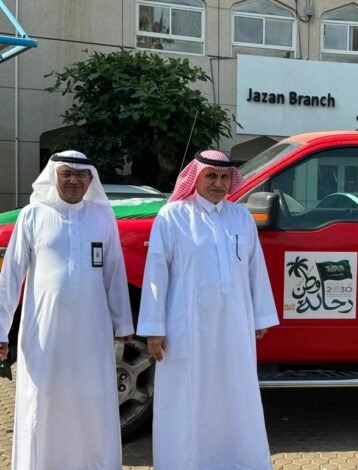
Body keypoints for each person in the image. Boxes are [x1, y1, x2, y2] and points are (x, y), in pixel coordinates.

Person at [137, 150, 279, 469]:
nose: (218, 183)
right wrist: (154, 329)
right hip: (185, 326)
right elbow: (156, 274)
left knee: (235, 392)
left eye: (224, 177)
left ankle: (237, 461)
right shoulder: (172, 216)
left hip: (234, 325)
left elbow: (255, 269)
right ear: (196, 178)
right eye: (211, 176)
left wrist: (260, 317)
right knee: (186, 396)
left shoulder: (241, 217)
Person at [0, 150, 134, 469]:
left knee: (91, 398)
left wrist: (123, 323)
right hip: (44, 332)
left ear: (90, 179)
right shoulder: (33, 215)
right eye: (66, 174)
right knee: (43, 399)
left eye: (80, 174)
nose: (74, 180)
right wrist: (1, 329)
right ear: (54, 177)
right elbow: (11, 276)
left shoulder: (102, 217)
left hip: (92, 331)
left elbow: (114, 272)